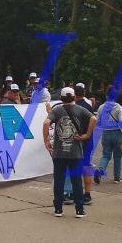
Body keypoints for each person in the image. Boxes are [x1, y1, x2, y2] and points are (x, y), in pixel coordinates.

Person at [43, 87, 96, 218]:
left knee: (59, 180)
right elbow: (94, 119)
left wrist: (46, 142)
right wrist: (86, 135)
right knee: (76, 181)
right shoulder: (81, 109)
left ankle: (58, 209)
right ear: (74, 97)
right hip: (75, 152)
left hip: (59, 152)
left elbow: (46, 123)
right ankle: (79, 209)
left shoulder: (57, 110)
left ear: (61, 98)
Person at [95, 85, 122, 184]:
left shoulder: (101, 107)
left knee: (106, 155)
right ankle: (117, 177)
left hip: (106, 133)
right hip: (117, 133)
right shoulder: (118, 107)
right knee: (117, 156)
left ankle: (99, 171)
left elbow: (97, 122)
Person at [74, 84, 95, 204]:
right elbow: (94, 121)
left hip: (78, 141)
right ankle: (87, 194)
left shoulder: (75, 107)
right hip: (88, 141)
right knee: (86, 166)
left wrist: (83, 135)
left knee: (75, 167)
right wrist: (88, 135)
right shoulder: (89, 106)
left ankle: (75, 193)